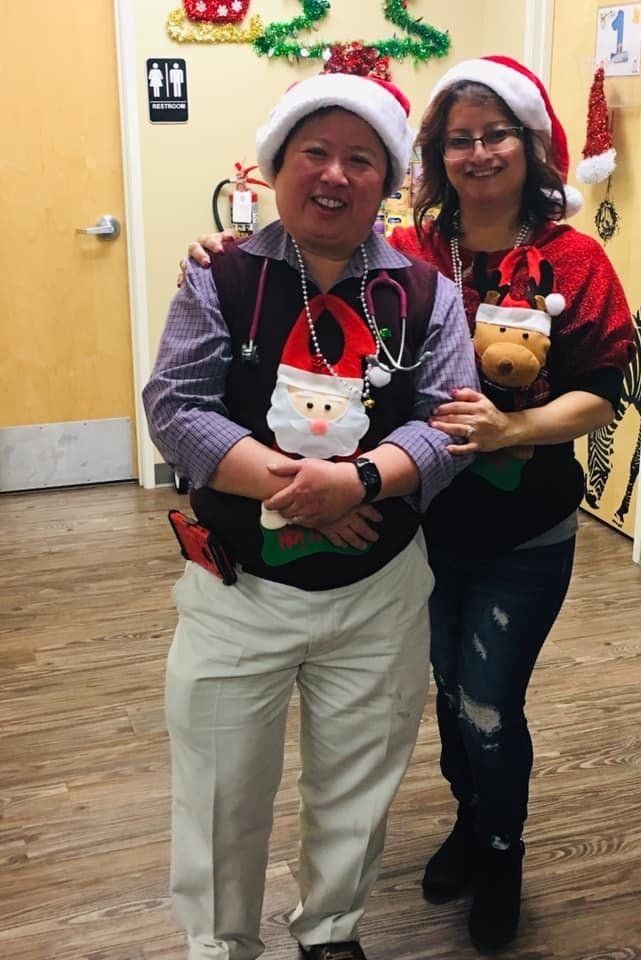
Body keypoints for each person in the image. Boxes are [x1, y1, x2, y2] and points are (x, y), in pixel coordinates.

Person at [183, 57, 636, 952]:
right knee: (442, 693)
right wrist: (222, 254)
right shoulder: (413, 253)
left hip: (520, 530)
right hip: (417, 528)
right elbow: (312, 294)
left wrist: (515, 430)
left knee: (489, 703)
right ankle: (470, 824)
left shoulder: (574, 260)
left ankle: (501, 850)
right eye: (458, 138)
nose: (478, 153)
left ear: (532, 146)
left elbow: (602, 392)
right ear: (433, 156)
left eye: (496, 134)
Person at [143, 72, 478, 960]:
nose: (334, 175)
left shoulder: (428, 293)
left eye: (360, 159)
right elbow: (177, 406)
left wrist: (360, 482)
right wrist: (302, 486)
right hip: (236, 591)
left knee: (358, 785)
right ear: (276, 165)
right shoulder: (222, 276)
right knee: (221, 790)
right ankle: (219, 945)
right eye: (314, 153)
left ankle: (331, 930)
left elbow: (452, 422)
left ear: (389, 179)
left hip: (379, 593)